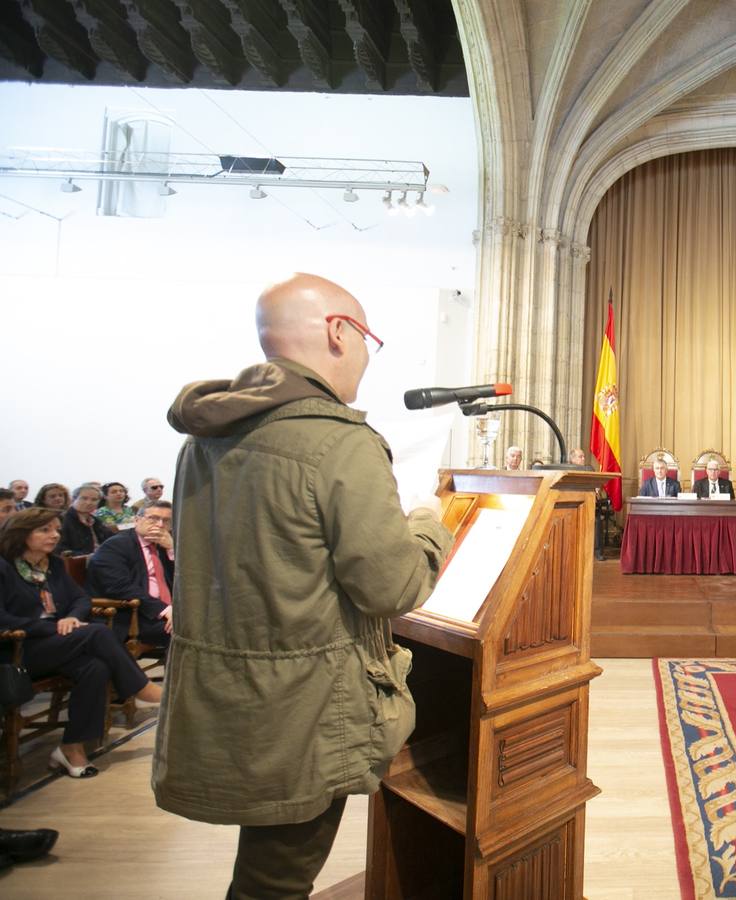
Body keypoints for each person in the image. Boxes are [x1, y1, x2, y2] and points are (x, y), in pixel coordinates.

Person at [152, 273, 453, 899]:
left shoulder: (205, 436)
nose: (368, 356)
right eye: (370, 338)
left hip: (223, 694)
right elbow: (392, 585)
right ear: (339, 333)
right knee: (275, 881)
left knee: (265, 868)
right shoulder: (338, 442)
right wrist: (429, 521)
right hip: (302, 706)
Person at [0, 508, 162, 779]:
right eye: (45, 530)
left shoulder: (51, 565)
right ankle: (142, 689)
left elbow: (81, 599)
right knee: (98, 633)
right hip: (19, 649)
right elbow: (2, 617)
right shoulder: (4, 567)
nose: (54, 535)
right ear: (21, 533)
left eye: (56, 530)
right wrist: (51, 626)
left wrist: (73, 618)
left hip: (61, 641)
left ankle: (72, 747)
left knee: (95, 667)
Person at [87, 501, 176, 645]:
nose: (160, 525)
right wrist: (165, 610)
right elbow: (120, 587)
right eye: (153, 518)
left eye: (166, 521)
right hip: (131, 615)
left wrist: (171, 550)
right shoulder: (115, 546)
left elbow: (181, 582)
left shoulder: (164, 545)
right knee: (189, 632)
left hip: (165, 611)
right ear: (136, 520)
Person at [57, 483, 115, 556]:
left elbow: (112, 539)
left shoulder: (95, 521)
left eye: (94, 499)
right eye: (84, 498)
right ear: (74, 499)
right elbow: (60, 550)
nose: (88, 503)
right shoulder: (61, 520)